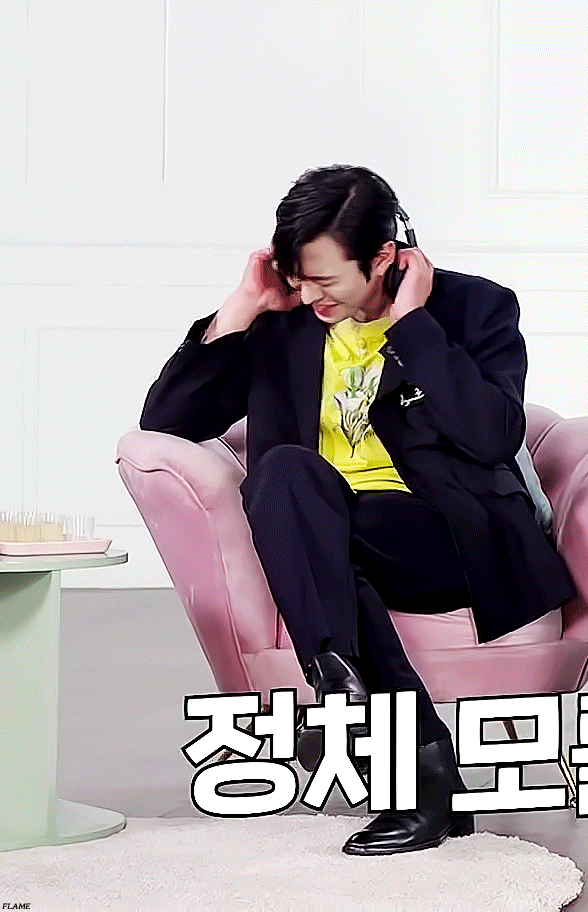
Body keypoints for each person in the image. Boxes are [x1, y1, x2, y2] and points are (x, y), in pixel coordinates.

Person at [139, 164, 577, 855]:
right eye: (296, 277)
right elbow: (167, 420)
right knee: (283, 473)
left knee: (321, 545)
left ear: (383, 258)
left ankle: (357, 715)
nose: (308, 294)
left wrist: (414, 325)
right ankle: (394, 740)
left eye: (324, 279)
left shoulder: (474, 308)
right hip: (328, 537)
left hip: (446, 538)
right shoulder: (284, 322)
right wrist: (240, 309)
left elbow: (491, 436)